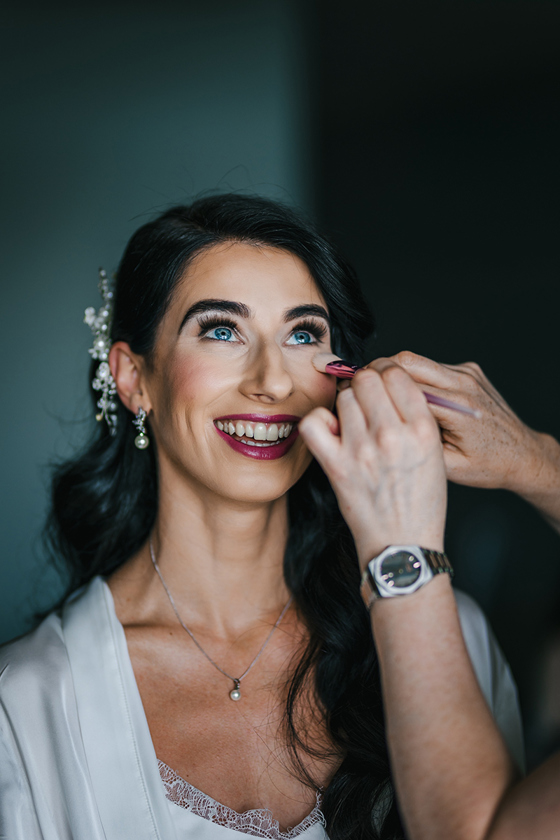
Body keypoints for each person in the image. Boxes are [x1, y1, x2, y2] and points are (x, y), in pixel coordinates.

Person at [0, 194, 523, 840]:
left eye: (303, 334)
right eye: (222, 329)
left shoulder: (448, 634)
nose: (272, 381)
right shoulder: (26, 704)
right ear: (134, 378)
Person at [303, 352, 560, 840]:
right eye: (221, 331)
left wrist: (400, 550)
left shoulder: (465, 632)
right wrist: (536, 458)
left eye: (302, 334)